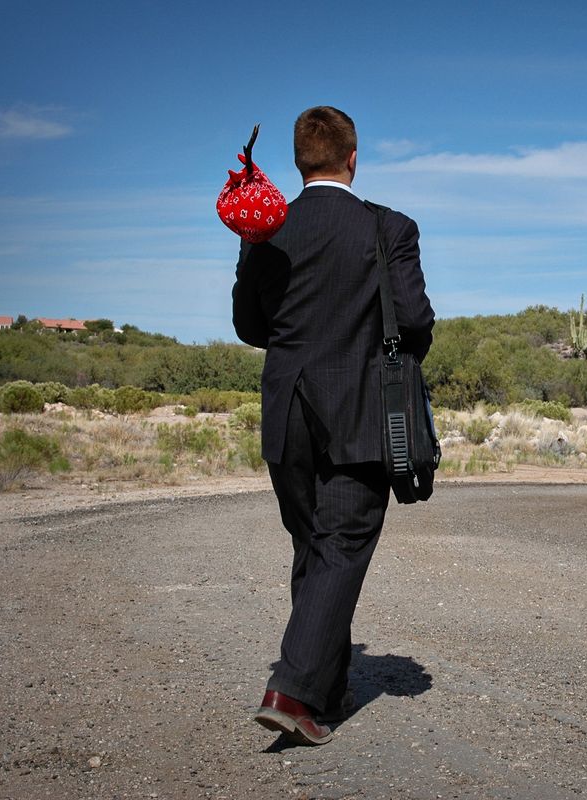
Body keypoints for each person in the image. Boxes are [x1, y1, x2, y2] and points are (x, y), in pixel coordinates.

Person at [232, 106, 435, 746]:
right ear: (353, 157)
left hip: (285, 412)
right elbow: (414, 320)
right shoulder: (389, 228)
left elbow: (249, 326)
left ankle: (324, 688)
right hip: (358, 411)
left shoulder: (266, 230)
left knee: (314, 547)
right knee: (341, 545)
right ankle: (290, 692)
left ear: (300, 161)